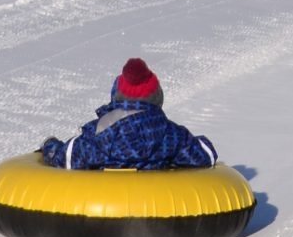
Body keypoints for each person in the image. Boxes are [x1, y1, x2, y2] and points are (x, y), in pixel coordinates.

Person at [39, 58, 220, 171]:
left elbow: (66, 158)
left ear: (117, 92)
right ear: (156, 95)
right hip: (153, 205)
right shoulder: (170, 134)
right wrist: (199, 142)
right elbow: (205, 156)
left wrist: (49, 146)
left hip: (104, 205)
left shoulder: (99, 131)